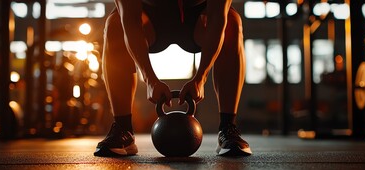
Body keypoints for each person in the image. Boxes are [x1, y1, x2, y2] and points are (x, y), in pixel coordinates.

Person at [94, 0, 252, 157]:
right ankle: (123, 129)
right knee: (115, 24)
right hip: (149, 18)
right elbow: (129, 19)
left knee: (232, 21)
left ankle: (228, 128)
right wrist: (150, 79)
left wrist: (201, 77)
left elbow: (218, 17)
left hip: (199, 17)